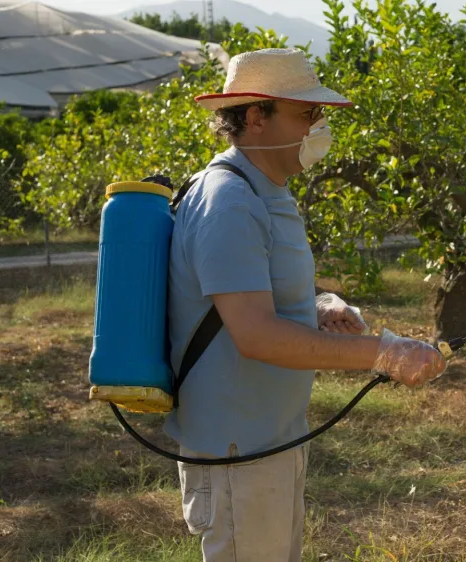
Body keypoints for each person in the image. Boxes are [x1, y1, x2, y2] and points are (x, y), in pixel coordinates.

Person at [165, 48, 447, 562]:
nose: (319, 127)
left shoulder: (266, 191)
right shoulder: (230, 200)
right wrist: (384, 353)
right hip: (239, 450)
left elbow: (245, 300)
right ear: (256, 117)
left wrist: (317, 306)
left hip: (269, 439)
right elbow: (256, 335)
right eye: (306, 113)